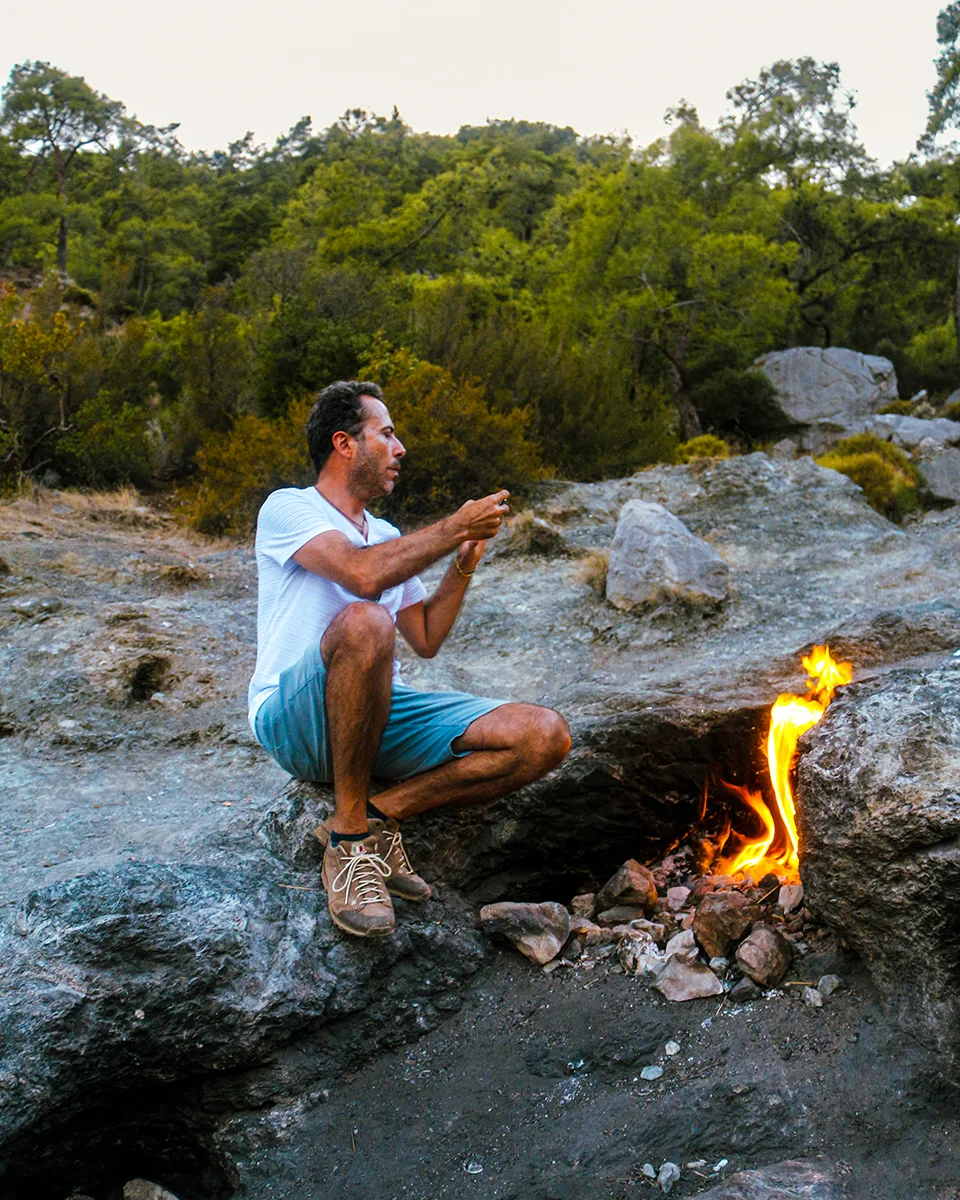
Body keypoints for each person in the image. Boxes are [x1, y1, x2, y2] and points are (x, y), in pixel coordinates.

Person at [249, 379, 571, 937]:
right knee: (367, 620)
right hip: (293, 718)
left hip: (373, 719)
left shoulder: (388, 535)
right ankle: (349, 848)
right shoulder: (289, 509)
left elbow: (425, 636)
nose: (400, 450)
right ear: (344, 443)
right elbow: (362, 574)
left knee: (544, 735)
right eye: (388, 434)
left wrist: (463, 560)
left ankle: (378, 817)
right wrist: (452, 526)